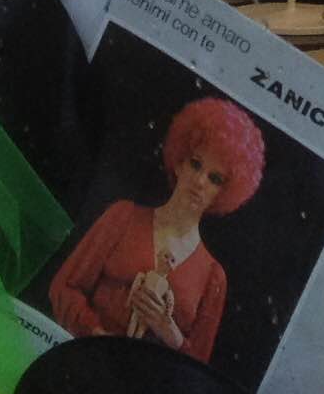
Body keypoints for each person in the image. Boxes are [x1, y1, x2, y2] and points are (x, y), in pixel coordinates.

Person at [46, 94, 266, 358]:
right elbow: (64, 287)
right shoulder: (123, 216)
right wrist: (96, 334)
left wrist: (168, 330)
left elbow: (196, 366)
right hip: (82, 356)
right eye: (196, 164)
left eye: (215, 178)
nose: (200, 182)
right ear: (179, 162)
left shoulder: (213, 277)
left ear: (225, 192)